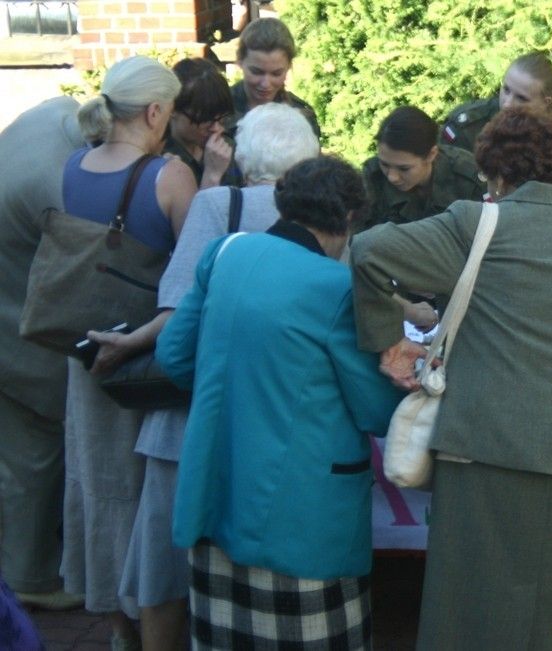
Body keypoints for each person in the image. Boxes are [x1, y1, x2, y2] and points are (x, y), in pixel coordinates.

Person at [351, 108, 552, 651]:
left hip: (485, 446)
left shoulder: (478, 223)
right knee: (551, 612)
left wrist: (389, 342)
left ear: (494, 172)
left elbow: (369, 250)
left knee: (466, 611)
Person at [92, 102, 319, 651]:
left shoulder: (218, 205)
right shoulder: (325, 218)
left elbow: (176, 313)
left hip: (193, 414)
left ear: (244, 157)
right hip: (276, 418)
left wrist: (131, 343)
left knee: (164, 558)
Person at [157, 155, 401, 650]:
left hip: (215, 495)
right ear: (349, 218)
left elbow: (174, 357)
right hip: (302, 517)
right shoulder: (338, 288)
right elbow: (377, 410)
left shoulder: (224, 253)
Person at [60, 55, 196, 650]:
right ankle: (157, 622)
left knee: (97, 487)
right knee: (149, 495)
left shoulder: (72, 167)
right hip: (146, 362)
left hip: (87, 355)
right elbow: (197, 277)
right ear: (156, 111)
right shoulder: (171, 176)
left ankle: (117, 627)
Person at [0, 97, 89, 612]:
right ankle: (30, 575)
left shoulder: (54, 114)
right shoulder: (55, 183)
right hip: (13, 341)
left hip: (9, 317)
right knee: (33, 458)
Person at [360, 105, 484, 231]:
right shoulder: (373, 176)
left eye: (404, 169)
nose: (392, 177)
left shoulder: (468, 174)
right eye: (385, 165)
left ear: (431, 155)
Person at [439, 51, 552, 153]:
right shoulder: (468, 128)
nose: (507, 104)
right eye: (506, 90)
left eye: (521, 98)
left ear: (545, 103)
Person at [229, 17, 320, 139]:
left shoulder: (301, 116)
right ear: (240, 62)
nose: (266, 84)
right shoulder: (216, 111)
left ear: (289, 66)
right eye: (256, 72)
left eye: (276, 74)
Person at [165, 57, 240, 189]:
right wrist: (212, 175)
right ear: (173, 109)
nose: (217, 129)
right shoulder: (162, 158)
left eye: (222, 120)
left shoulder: (228, 146)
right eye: (205, 120)